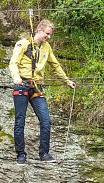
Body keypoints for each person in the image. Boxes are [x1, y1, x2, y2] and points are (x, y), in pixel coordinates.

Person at [9, 19, 76, 165]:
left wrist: (66, 80)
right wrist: (16, 77)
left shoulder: (46, 47)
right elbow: (13, 62)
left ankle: (44, 153)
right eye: (47, 34)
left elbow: (55, 65)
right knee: (20, 121)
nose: (48, 37)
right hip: (22, 85)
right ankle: (21, 154)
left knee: (46, 120)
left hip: (37, 86)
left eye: (50, 35)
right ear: (39, 30)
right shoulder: (24, 44)